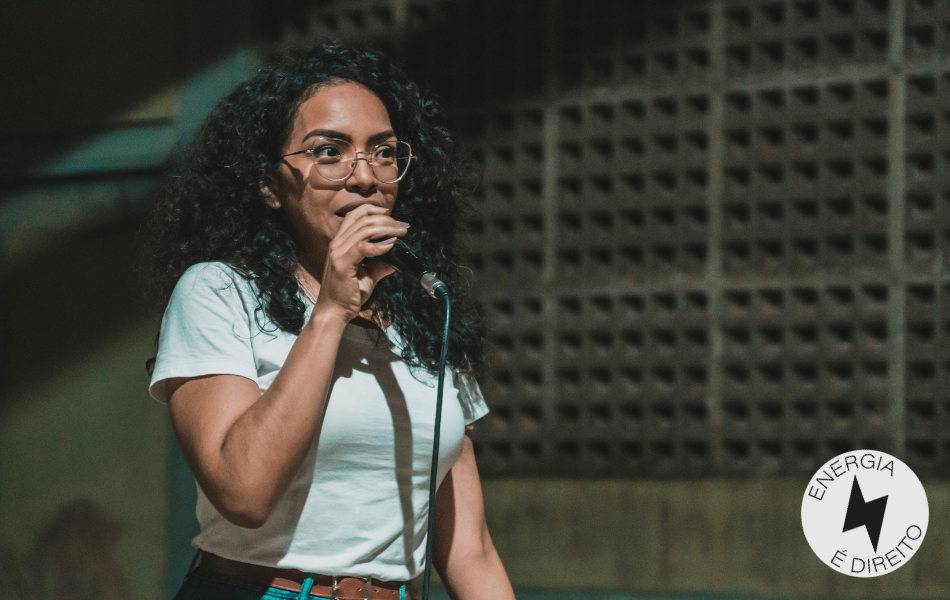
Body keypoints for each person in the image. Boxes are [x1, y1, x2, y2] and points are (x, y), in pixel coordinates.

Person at [142, 41, 515, 600]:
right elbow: (243, 493)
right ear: (269, 184)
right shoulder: (219, 291)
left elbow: (471, 551)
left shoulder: (425, 313)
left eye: (383, 152)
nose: (364, 177)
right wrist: (332, 312)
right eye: (329, 152)